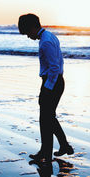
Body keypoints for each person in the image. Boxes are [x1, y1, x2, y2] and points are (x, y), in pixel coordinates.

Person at [18, 13, 74, 162]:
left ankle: (53, 149)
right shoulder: (48, 36)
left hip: (52, 82)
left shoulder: (46, 42)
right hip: (54, 81)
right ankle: (56, 148)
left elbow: (55, 67)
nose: (27, 36)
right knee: (47, 118)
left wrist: (47, 88)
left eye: (27, 32)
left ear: (32, 27)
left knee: (46, 118)